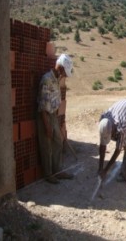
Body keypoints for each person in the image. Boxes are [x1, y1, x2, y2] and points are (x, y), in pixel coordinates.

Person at [37, 54, 74, 184]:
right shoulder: (47, 80)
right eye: (64, 72)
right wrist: (47, 127)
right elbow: (42, 107)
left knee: (58, 140)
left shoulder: (56, 79)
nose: (64, 75)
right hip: (44, 117)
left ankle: (57, 171)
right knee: (46, 145)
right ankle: (48, 174)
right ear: (60, 68)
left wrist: (57, 122)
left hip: (52, 115)